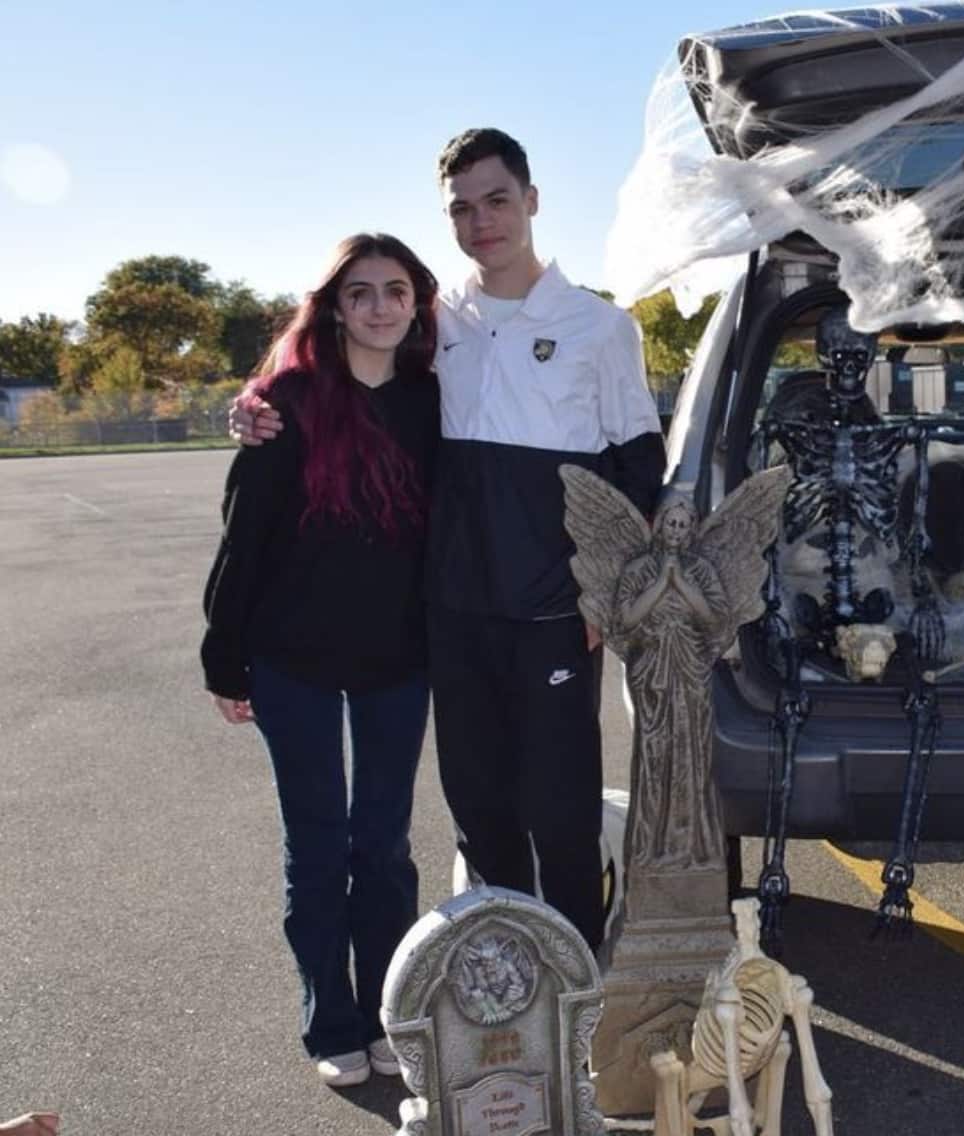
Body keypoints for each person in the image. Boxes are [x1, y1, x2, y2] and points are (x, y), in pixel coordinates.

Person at [233, 129, 665, 952]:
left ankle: (577, 975)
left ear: (532, 201)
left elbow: (641, 472)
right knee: (478, 803)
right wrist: (254, 404)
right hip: (451, 612)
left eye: (497, 200)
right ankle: (506, 972)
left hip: (553, 613)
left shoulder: (602, 328)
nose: (481, 221)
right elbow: (333, 367)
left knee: (561, 808)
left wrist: (606, 589)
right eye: (461, 209)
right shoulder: (433, 319)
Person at [203, 233, 441, 1087]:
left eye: (396, 291)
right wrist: (223, 657)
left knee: (382, 845)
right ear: (334, 307)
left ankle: (385, 1010)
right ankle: (327, 1022)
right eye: (361, 292)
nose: (380, 307)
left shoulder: (433, 398)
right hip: (291, 657)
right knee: (318, 846)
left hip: (395, 659)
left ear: (418, 304)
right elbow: (246, 537)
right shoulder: (287, 402)